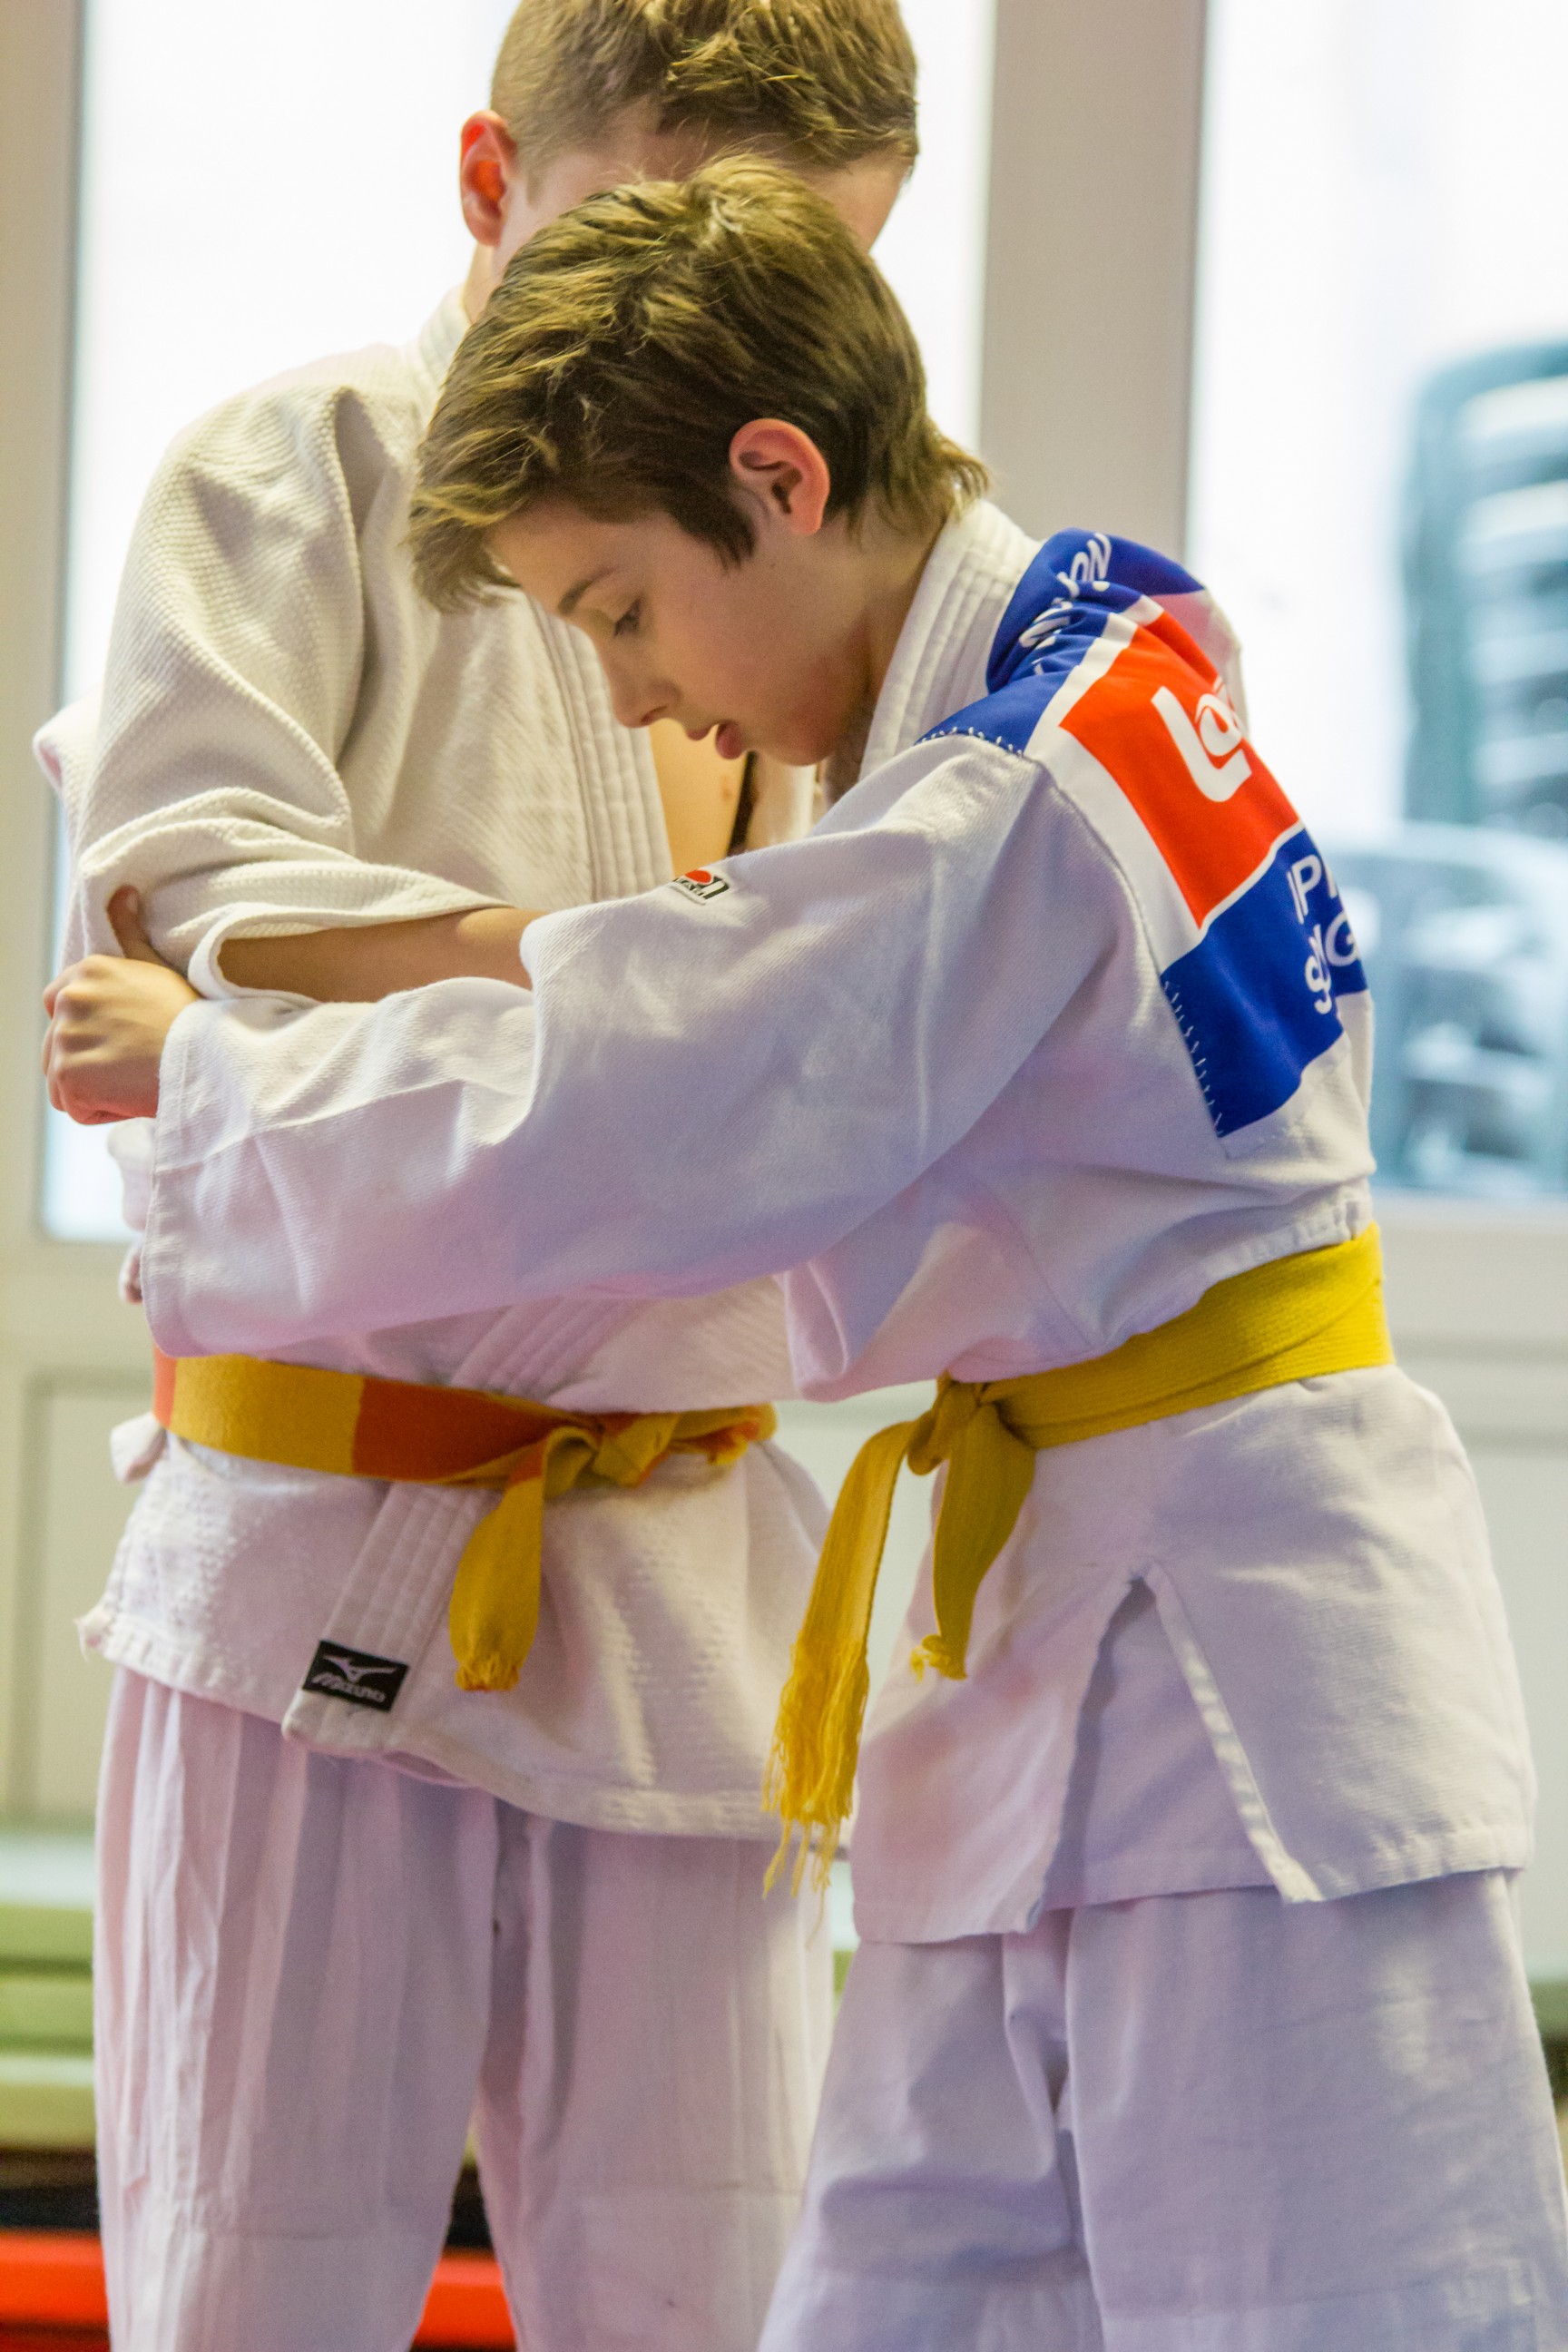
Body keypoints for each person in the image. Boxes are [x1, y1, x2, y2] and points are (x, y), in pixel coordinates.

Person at [47, 154, 1568, 2350]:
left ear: (778, 477)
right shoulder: (1100, 651)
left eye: (622, 612)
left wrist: (211, 1077)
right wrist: (348, 974)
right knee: (890, 2296)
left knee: (1322, 2311)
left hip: (1229, 1688)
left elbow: (643, 1099)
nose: (635, 700)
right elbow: (718, 979)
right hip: (1087, 1626)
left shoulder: (1008, 798)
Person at [36, 16, 919, 2350]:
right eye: (667, 220)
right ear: (486, 184)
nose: (740, 318)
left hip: (691, 1567)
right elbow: (186, 907)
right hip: (320, 1539)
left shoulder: (849, 549)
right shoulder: (299, 467)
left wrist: (311, 1036)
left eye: (817, 265)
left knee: (727, 2297)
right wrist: (656, 994)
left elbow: (862, 1050)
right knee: (256, 2294)